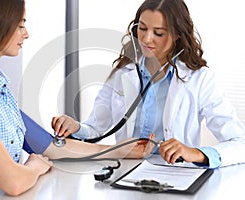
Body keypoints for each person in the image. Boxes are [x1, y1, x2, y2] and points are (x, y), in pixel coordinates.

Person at [0, 0, 151, 198]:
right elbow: (14, 182)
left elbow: (50, 147)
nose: (26, 34)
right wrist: (33, 167)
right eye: (20, 25)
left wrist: (119, 151)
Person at [52, 0, 245, 169]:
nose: (146, 39)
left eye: (158, 33)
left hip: (176, 176)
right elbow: (95, 128)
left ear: (178, 34)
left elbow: (239, 143)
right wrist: (75, 127)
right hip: (124, 173)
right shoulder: (122, 73)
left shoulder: (199, 79)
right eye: (142, 28)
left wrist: (196, 153)